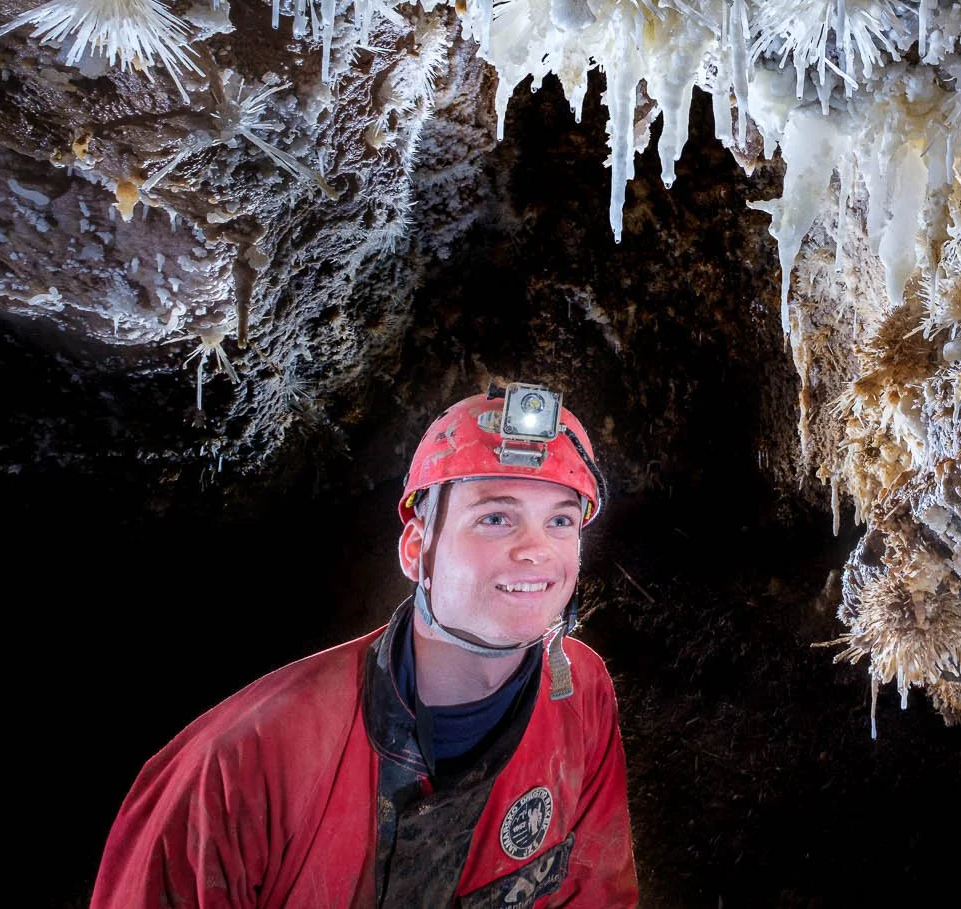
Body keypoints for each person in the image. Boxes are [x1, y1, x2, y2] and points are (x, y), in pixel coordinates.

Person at [92, 384, 639, 907]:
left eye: (561, 521)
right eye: (495, 518)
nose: (537, 551)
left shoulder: (579, 692)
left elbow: (595, 890)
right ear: (416, 550)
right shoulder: (240, 764)